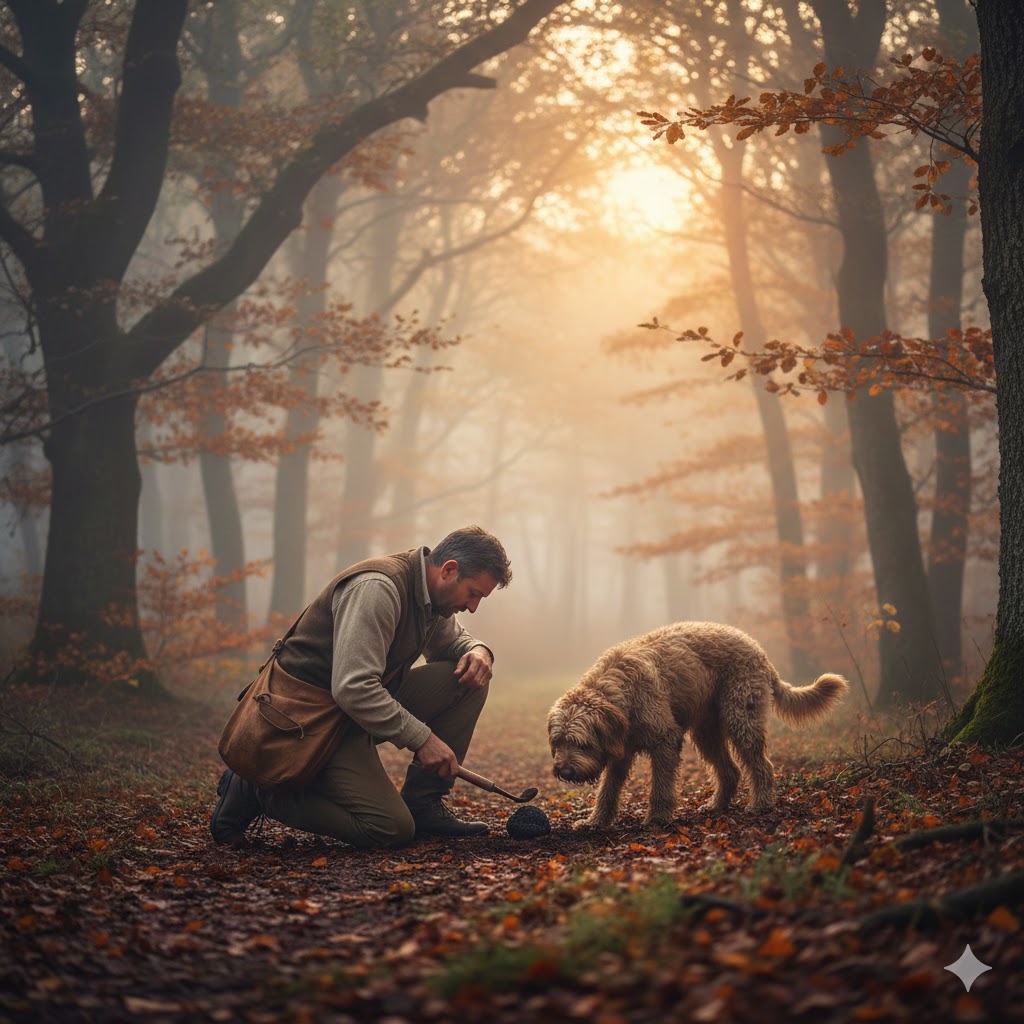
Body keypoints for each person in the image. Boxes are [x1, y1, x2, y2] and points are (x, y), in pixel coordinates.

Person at [210, 525, 511, 849]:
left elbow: (451, 643)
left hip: (351, 712)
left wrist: (479, 651)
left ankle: (424, 805)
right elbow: (353, 688)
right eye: (474, 593)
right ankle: (259, 791)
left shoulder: (432, 598)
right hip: (307, 722)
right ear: (449, 570)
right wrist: (423, 739)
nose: (473, 606)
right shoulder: (378, 589)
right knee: (389, 828)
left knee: (470, 678)